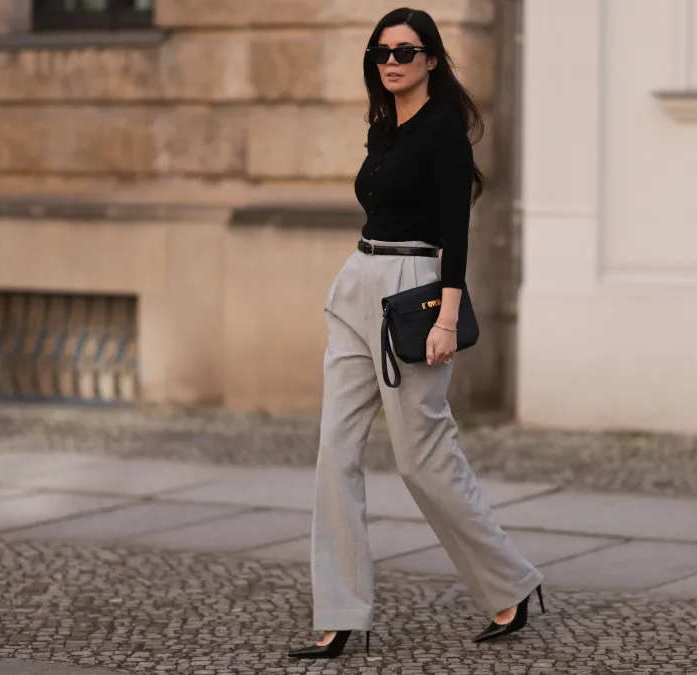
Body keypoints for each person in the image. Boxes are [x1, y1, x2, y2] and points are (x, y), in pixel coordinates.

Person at [287, 6, 545, 661]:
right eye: (382, 52)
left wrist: (448, 319)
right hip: (356, 283)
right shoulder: (384, 128)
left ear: (431, 58)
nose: (392, 61)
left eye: (406, 50)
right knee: (333, 453)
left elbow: (456, 232)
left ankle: (510, 583)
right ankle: (340, 612)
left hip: (414, 292)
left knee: (421, 458)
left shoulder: (444, 133)